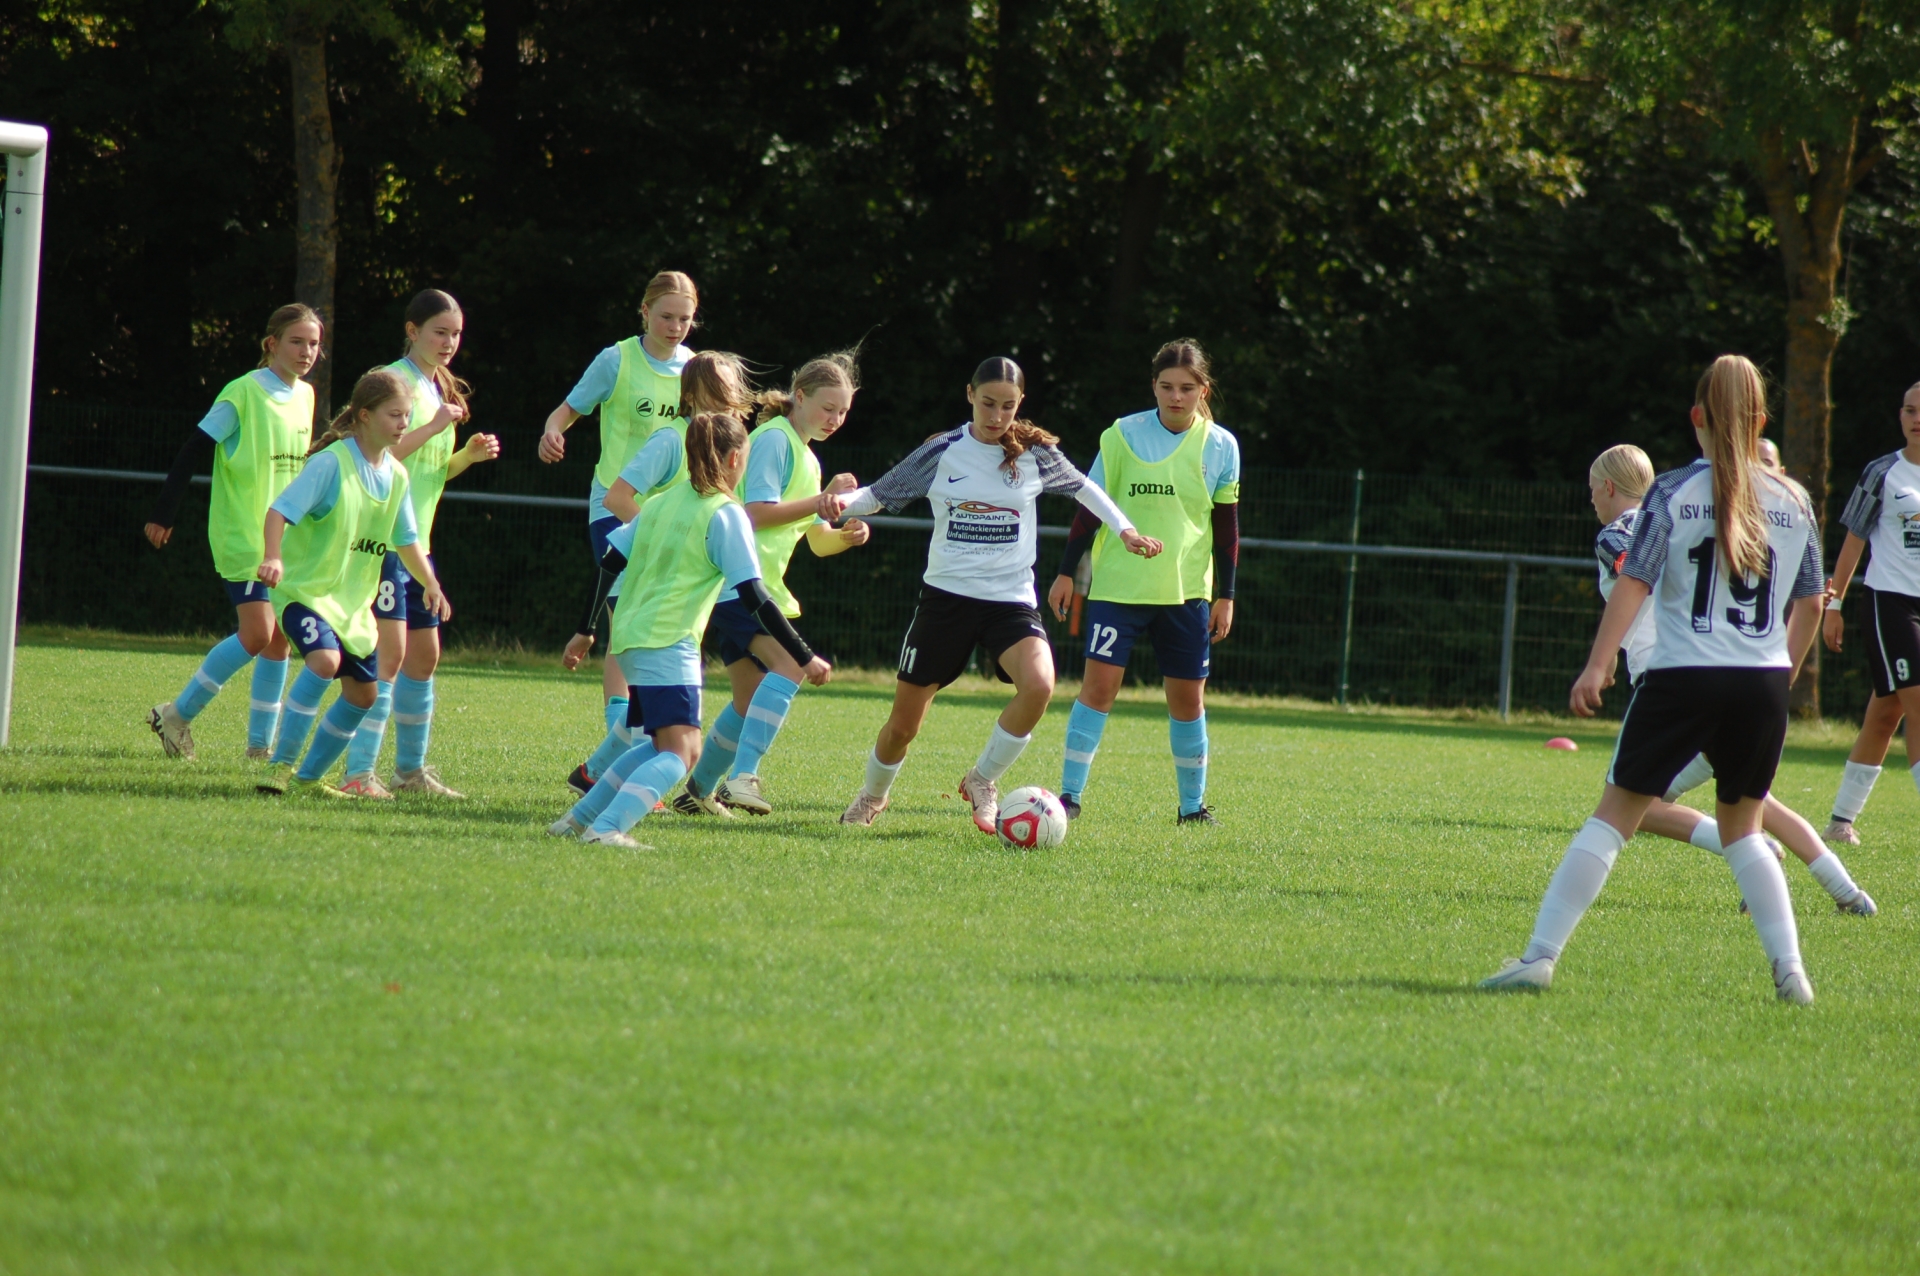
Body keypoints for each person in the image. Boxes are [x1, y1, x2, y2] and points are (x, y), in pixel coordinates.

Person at [1482, 355, 1826, 1003]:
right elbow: (1811, 603)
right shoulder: (1795, 499)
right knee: (1744, 831)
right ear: (1760, 422)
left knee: (1613, 818)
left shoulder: (1671, 492)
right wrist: (1777, 675)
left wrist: (1598, 663)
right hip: (1760, 682)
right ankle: (1792, 973)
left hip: (1683, 674)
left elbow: (1634, 581)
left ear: (1696, 417)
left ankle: (1539, 958)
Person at [834, 357, 1164, 832]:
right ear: (970, 395)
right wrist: (832, 506)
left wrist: (1126, 530)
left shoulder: (1035, 454)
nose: (996, 416)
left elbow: (1085, 489)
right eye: (987, 403)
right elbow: (878, 495)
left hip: (1010, 601)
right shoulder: (942, 452)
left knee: (1040, 685)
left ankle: (982, 779)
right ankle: (872, 796)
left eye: (1007, 406)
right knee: (903, 727)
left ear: (1020, 403)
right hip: (946, 601)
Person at [1583, 444, 1873, 915]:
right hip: (1735, 671)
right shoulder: (1688, 516)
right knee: (1756, 802)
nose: (1592, 498)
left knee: (1638, 807)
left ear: (1609, 488)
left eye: (1593, 489)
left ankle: (1749, 851)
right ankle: (1848, 892)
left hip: (1672, 682)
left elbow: (1633, 577)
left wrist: (1602, 661)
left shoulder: (1618, 532)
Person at [549, 412, 829, 847]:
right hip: (668, 642)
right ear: (735, 459)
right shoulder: (725, 513)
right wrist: (803, 655)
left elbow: (610, 561)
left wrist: (585, 629)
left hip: (632, 638)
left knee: (658, 745)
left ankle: (576, 821)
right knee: (683, 753)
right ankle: (607, 830)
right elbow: (755, 596)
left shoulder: (661, 502)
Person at [1045, 339, 1241, 825]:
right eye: (1167, 386)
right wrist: (1066, 570)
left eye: (1187, 388)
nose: (1176, 396)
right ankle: (1069, 798)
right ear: (1153, 386)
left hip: (1186, 593)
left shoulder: (1221, 445)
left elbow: (1226, 527)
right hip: (1119, 589)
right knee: (1098, 690)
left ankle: (1192, 809)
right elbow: (1091, 507)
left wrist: (1227, 595)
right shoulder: (1121, 435)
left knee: (1188, 701)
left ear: (1203, 390)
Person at [674, 350, 870, 817]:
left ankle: (696, 793)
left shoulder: (808, 458)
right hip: (740, 584)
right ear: (799, 397)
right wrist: (820, 501)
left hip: (749, 586)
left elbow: (816, 542)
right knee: (792, 666)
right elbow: (755, 514)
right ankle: (743, 778)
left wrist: (845, 536)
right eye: (828, 408)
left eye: (843, 412)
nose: (835, 419)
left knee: (747, 700)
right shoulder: (775, 439)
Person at [563, 351, 758, 793]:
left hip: (676, 578)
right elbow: (616, 498)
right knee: (655, 686)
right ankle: (625, 787)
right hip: (646, 571)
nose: (728, 397)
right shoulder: (672, 439)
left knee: (655, 691)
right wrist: (665, 540)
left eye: (731, 388)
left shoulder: (728, 444)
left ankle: (593, 774)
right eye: (717, 389)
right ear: (690, 394)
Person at [254, 369, 447, 797]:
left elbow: (407, 541)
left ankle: (307, 780)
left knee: (364, 696)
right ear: (364, 415)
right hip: (304, 593)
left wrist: (430, 583)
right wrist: (273, 556)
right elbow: (278, 511)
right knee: (324, 661)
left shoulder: (396, 476)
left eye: (407, 415)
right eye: (395, 415)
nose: (403, 424)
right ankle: (279, 765)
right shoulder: (331, 463)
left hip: (352, 609)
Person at [340, 290, 499, 799]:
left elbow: (427, 471)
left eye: (456, 334)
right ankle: (358, 773)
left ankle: (409, 773)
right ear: (412, 331)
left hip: (416, 544)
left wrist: (466, 457)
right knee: (388, 657)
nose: (450, 342)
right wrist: (434, 425)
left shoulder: (435, 387)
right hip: (384, 542)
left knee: (424, 657)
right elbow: (382, 455)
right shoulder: (396, 382)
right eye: (439, 332)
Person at [539, 271, 699, 773]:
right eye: (666, 316)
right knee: (625, 622)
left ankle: (618, 755)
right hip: (615, 504)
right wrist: (551, 432)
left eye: (685, 319)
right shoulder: (617, 359)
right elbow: (566, 411)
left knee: (650, 625)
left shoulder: (695, 369)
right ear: (644, 312)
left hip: (672, 516)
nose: (675, 327)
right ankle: (623, 751)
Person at [145, 305, 321, 760]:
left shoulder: (306, 395)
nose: (306, 351)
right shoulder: (243, 392)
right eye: (296, 341)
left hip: (284, 538)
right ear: (272, 344)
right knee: (259, 633)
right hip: (242, 534)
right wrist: (164, 512)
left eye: (313, 343)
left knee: (278, 639)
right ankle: (176, 714)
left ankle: (259, 748)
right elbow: (194, 448)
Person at [1820, 380, 1920, 843]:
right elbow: (1853, 541)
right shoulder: (1882, 472)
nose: (1916, 419)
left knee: (1886, 713)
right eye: (1909, 410)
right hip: (1891, 603)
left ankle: (1840, 822)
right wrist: (1834, 604)